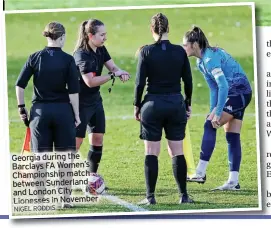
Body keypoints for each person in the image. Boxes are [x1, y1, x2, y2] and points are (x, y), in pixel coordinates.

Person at [15, 21, 81, 208]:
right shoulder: (68, 59)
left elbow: (19, 85)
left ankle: (40, 199)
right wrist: (76, 115)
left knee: (40, 157)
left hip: (39, 113)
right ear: (61, 37)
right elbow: (73, 91)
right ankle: (65, 200)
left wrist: (21, 108)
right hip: (62, 112)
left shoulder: (35, 57)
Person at [133, 13, 194, 205]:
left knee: (151, 151)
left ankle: (150, 197)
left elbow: (139, 83)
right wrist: (188, 103)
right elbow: (188, 81)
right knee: (177, 151)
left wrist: (136, 105)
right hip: (175, 104)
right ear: (169, 28)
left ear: (152, 29)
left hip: (152, 105)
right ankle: (183, 196)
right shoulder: (180, 52)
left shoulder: (146, 52)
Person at [183, 26, 252, 190]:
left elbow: (223, 85)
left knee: (210, 125)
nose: (183, 47)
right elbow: (214, 88)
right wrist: (213, 109)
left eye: (185, 44)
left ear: (194, 45)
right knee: (232, 136)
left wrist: (218, 112)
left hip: (238, 92)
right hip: (238, 92)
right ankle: (233, 181)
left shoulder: (209, 59)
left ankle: (200, 172)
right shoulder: (201, 62)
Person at [73, 19, 130, 187]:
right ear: (91, 36)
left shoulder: (101, 49)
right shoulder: (81, 55)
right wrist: (113, 75)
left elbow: (112, 66)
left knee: (97, 139)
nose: (105, 38)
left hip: (95, 102)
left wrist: (119, 71)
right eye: (102, 35)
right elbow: (90, 81)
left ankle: (91, 179)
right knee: (75, 144)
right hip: (80, 104)